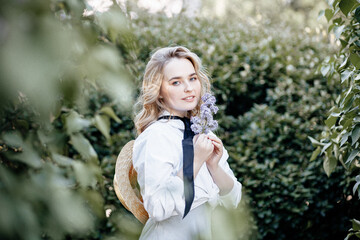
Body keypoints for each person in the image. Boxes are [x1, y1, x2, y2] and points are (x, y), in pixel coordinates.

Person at [132, 46, 242, 239]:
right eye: (176, 82)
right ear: (158, 91)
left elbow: (233, 199)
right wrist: (195, 162)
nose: (189, 88)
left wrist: (214, 166)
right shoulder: (155, 137)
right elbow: (157, 208)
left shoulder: (203, 132)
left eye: (192, 78)